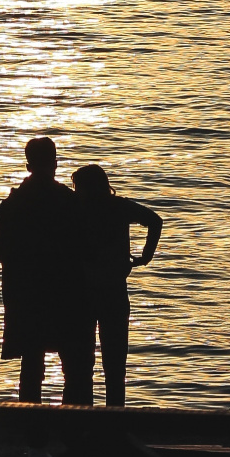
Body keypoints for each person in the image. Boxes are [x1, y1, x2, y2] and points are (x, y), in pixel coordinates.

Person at [0, 137, 94, 405]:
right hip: (65, 292)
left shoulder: (12, 204)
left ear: (28, 166)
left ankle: (30, 424)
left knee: (31, 364)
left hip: (26, 294)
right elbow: (86, 247)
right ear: (55, 163)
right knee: (74, 367)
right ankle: (74, 423)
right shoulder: (69, 201)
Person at [71, 165, 162, 407]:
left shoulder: (77, 209)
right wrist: (145, 256)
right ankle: (115, 418)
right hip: (113, 291)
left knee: (83, 366)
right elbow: (155, 221)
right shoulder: (119, 207)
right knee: (115, 367)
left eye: (78, 187)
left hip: (84, 293)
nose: (76, 191)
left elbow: (156, 221)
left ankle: (84, 417)